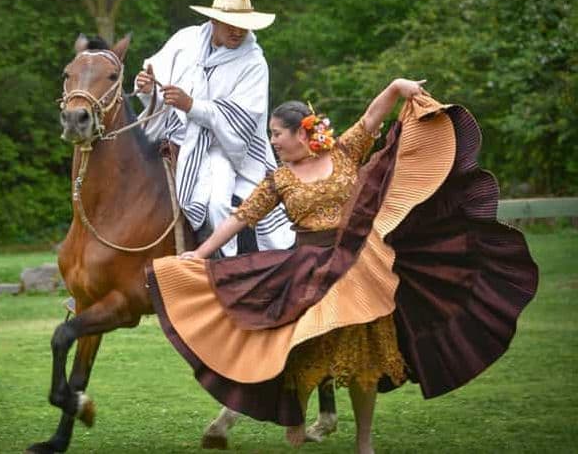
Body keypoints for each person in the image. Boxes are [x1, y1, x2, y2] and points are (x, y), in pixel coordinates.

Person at [146, 80, 539, 453]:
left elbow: (372, 118)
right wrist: (199, 255)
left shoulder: (344, 153)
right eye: (270, 135)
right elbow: (241, 217)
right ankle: (296, 426)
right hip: (305, 271)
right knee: (302, 354)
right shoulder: (279, 179)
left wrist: (396, 88)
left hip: (357, 268)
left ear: (303, 132)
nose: (272, 141)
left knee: (364, 361)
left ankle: (363, 441)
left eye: (277, 133)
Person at [134, 0, 294, 256]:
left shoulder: (254, 62)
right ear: (214, 20)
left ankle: (225, 267)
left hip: (223, 149)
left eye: (243, 25)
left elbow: (242, 119)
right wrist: (147, 87)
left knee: (217, 202)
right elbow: (156, 81)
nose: (237, 31)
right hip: (173, 135)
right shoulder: (186, 41)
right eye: (231, 24)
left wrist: (192, 106)